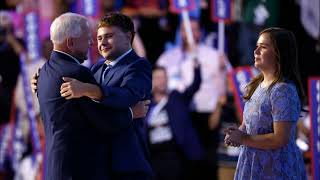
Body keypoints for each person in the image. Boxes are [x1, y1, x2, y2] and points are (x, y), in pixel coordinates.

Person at [36, 13, 148, 180]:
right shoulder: (76, 73)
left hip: (55, 168)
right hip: (79, 168)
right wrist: (132, 112)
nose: (91, 43)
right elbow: (103, 120)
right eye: (87, 38)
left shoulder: (43, 72)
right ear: (70, 42)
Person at [224, 27, 307, 179]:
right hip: (252, 163)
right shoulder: (255, 84)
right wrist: (237, 132)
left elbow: (280, 138)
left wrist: (243, 138)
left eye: (263, 47)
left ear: (279, 53)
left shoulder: (283, 90)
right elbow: (248, 123)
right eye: (256, 46)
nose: (256, 51)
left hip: (274, 170)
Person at [156, 18, 232, 180]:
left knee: (208, 162)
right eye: (184, 29)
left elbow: (225, 85)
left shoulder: (214, 55)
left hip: (208, 115)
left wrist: (219, 107)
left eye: (193, 29)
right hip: (180, 117)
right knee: (184, 163)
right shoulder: (167, 58)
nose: (189, 33)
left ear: (200, 32)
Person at [147, 62, 204, 180]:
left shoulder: (176, 98)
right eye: (158, 78)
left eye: (164, 77)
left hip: (174, 155)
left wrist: (196, 67)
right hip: (154, 158)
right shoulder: (146, 106)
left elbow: (195, 86)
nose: (162, 80)